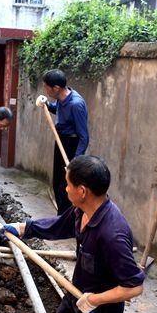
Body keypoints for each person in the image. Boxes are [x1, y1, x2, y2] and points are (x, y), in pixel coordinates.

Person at [0, 155, 145, 313]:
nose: (64, 188)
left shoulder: (112, 234)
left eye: (67, 184)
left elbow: (134, 287)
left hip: (101, 310)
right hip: (78, 292)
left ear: (82, 190)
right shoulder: (82, 211)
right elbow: (58, 225)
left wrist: (95, 300)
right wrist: (22, 228)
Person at [36, 69, 89, 215]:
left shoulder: (76, 104)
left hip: (71, 145)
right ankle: (61, 216)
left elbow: (84, 136)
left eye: (47, 87)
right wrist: (47, 104)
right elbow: (57, 110)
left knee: (67, 185)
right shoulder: (61, 98)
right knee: (57, 182)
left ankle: (67, 220)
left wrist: (75, 161)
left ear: (56, 88)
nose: (46, 90)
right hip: (60, 140)